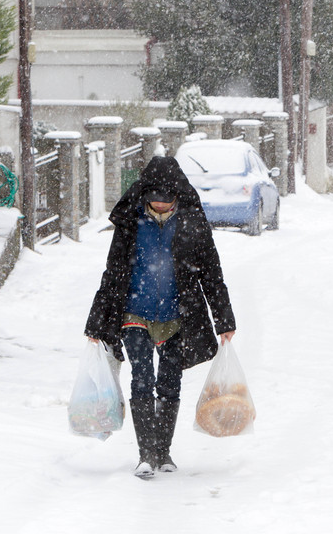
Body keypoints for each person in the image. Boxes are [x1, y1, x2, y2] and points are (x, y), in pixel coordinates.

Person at [84, 155, 236, 479]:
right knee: (142, 375)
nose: (162, 208)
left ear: (178, 197)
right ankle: (145, 455)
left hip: (177, 314)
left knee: (169, 380)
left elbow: (211, 272)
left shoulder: (192, 222)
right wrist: (96, 321)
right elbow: (113, 272)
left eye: (167, 204)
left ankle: (162, 451)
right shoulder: (131, 221)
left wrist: (224, 320)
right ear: (145, 196)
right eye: (156, 203)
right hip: (134, 311)